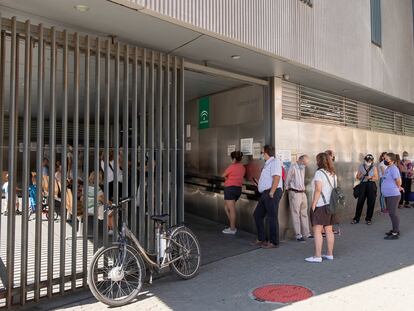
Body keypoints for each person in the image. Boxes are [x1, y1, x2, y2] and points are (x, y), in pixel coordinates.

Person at [305, 152, 337, 263]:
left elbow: (318, 189)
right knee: (329, 230)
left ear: (319, 161)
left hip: (321, 205)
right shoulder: (332, 173)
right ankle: (329, 254)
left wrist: (313, 204)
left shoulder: (319, 173)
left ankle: (317, 256)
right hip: (331, 205)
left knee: (317, 230)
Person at [252, 145, 283, 249]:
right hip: (266, 192)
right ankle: (262, 238)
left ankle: (273, 242)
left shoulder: (275, 162)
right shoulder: (268, 163)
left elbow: (277, 177)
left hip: (272, 192)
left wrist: (272, 192)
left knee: (272, 217)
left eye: (262, 153)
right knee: (257, 215)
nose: (261, 155)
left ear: (265, 153)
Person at [285, 154, 311, 242]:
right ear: (299, 160)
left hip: (302, 192)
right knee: (295, 214)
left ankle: (307, 233)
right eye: (304, 162)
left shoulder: (302, 167)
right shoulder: (293, 167)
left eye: (306, 163)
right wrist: (288, 189)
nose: (305, 165)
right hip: (295, 192)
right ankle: (298, 235)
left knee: (304, 213)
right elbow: (287, 180)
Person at [222, 151, 246, 234]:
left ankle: (232, 229)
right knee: (226, 208)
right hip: (238, 189)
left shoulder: (232, 167)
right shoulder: (242, 167)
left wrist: (227, 180)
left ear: (233, 158)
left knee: (231, 210)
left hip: (230, 189)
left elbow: (223, 175)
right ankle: (232, 225)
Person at [381, 153, 404, 240]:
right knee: (391, 213)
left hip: (393, 195)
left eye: (386, 159)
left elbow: (398, 180)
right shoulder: (389, 168)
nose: (385, 160)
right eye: (384, 158)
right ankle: (395, 229)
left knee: (393, 213)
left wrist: (398, 187)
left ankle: (395, 233)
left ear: (392, 160)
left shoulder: (394, 169)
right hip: (389, 194)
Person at [351, 154, 378, 225]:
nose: (369, 162)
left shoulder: (374, 167)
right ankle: (356, 218)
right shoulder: (361, 166)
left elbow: (377, 178)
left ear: (372, 161)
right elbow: (357, 176)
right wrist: (361, 175)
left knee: (371, 202)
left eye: (370, 161)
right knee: (360, 202)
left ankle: (368, 219)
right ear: (365, 160)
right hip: (363, 185)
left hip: (371, 185)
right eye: (367, 160)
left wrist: (370, 178)